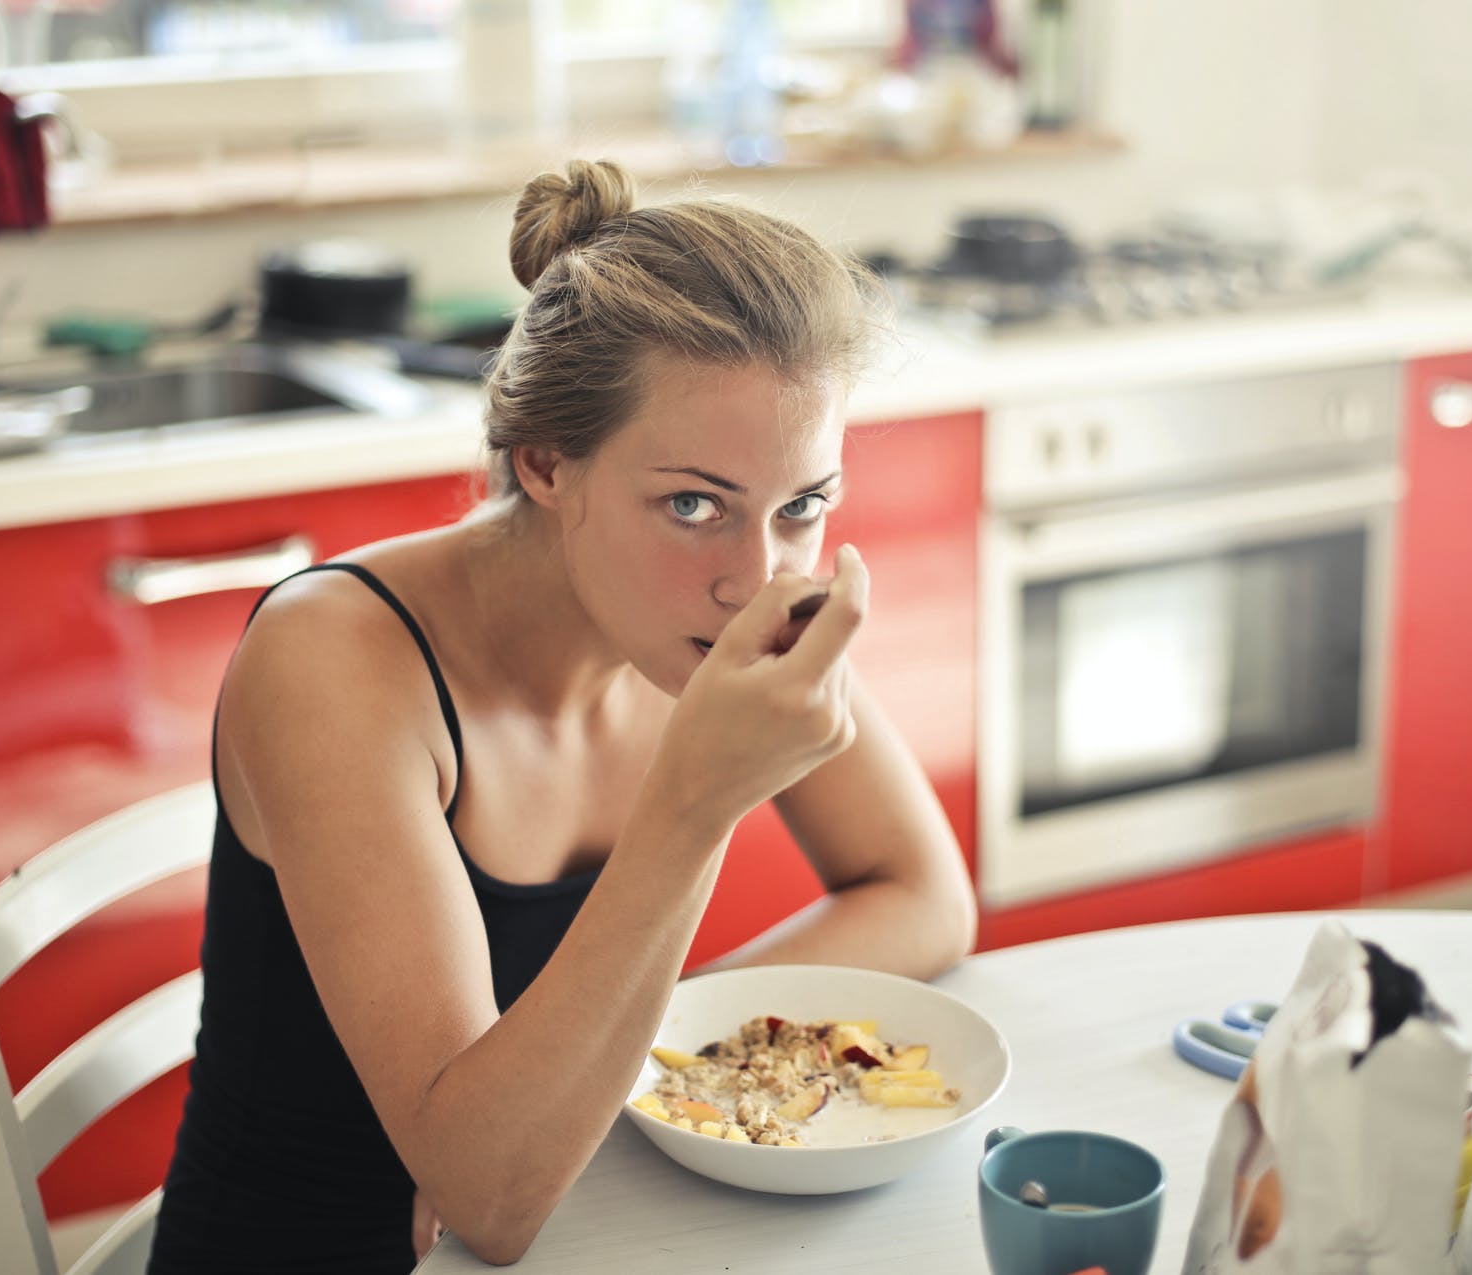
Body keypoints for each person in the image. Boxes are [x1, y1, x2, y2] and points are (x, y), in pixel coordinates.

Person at [147, 158, 978, 1273]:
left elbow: (922, 897)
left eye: (802, 506)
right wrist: (695, 805)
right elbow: (488, 1198)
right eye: (692, 505)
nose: (756, 578)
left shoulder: (720, 608)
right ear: (545, 464)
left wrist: (597, 1070)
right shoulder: (337, 663)